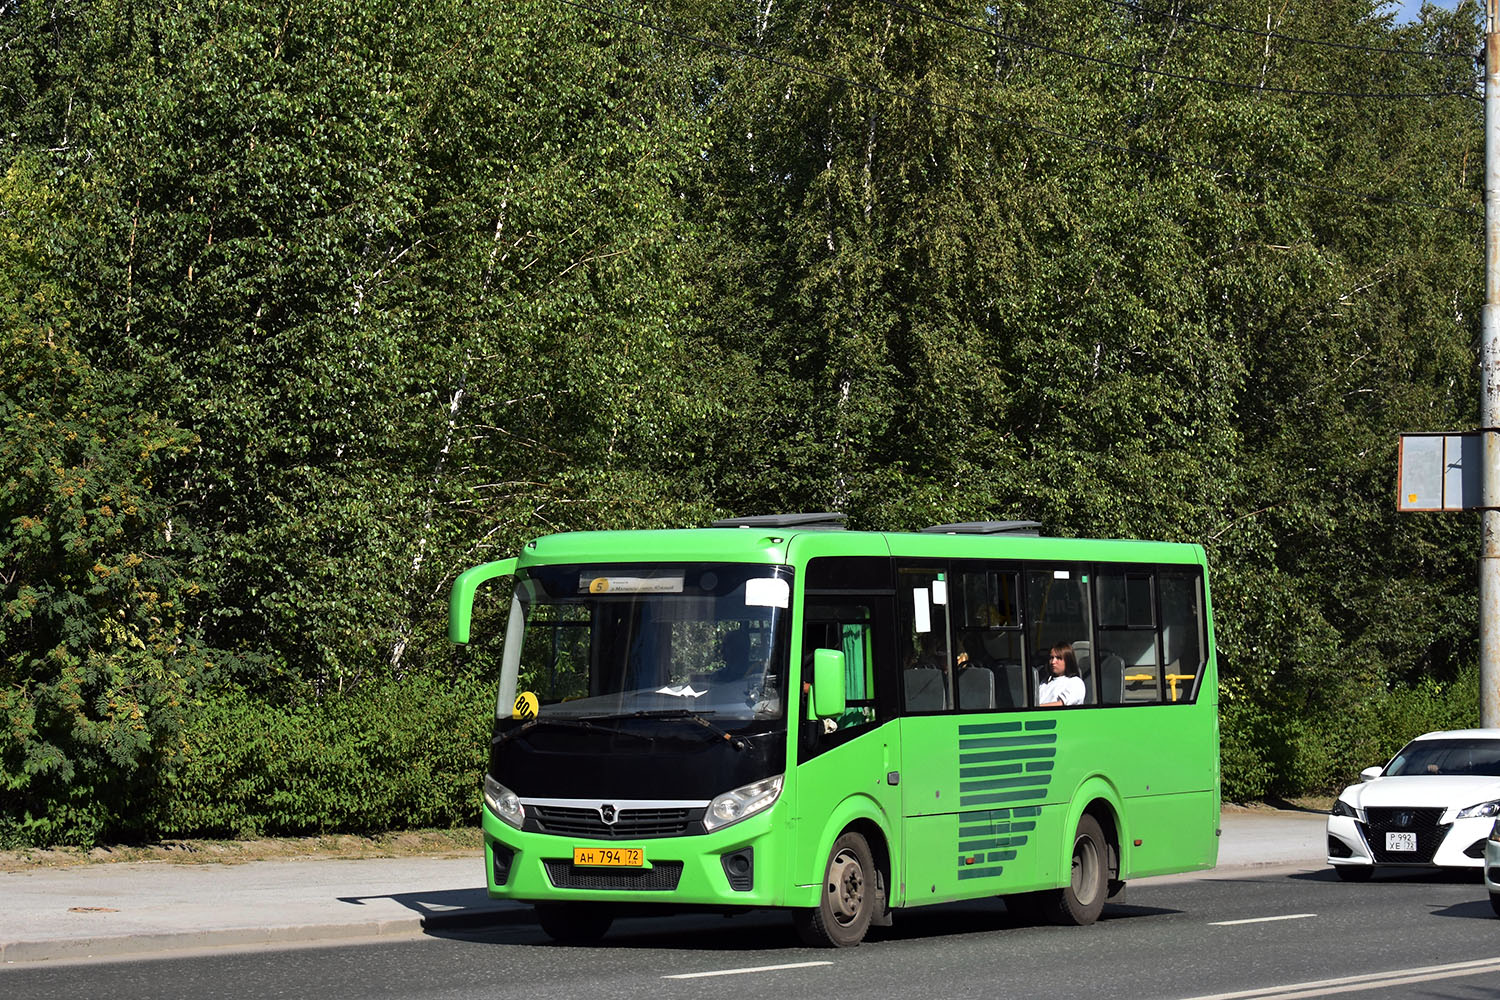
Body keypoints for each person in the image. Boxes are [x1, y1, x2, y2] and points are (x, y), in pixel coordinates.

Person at [1037, 643, 1084, 707]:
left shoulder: (1075, 682)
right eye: (1051, 658)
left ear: (1068, 661)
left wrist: (1035, 708)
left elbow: (1061, 704)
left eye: (1058, 658)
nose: (1053, 662)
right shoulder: (1044, 682)